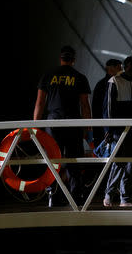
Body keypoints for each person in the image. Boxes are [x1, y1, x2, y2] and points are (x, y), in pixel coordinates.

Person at [33, 45, 92, 206]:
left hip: (53, 123)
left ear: (60, 58)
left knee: (53, 161)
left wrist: (35, 128)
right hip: (73, 123)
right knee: (74, 161)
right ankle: (75, 197)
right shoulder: (80, 77)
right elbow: (85, 105)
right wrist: (88, 128)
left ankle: (53, 196)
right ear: (74, 60)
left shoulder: (48, 76)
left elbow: (40, 103)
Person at [102, 56, 132, 207]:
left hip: (131, 128)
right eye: (131, 66)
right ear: (125, 66)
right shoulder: (114, 81)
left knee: (129, 163)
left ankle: (125, 198)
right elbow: (108, 107)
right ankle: (109, 194)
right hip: (118, 129)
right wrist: (109, 129)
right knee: (119, 162)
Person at [92, 59, 122, 148]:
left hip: (101, 125)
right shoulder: (109, 84)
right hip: (106, 126)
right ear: (111, 69)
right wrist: (107, 128)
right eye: (119, 68)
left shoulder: (100, 84)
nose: (121, 71)